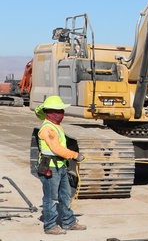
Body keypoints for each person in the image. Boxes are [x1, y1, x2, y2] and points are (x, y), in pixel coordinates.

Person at [34, 96, 87, 235]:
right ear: (49, 112)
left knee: (65, 195)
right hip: (50, 167)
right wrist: (75, 155)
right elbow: (56, 148)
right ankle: (50, 226)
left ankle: (68, 221)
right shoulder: (47, 128)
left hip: (60, 166)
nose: (61, 113)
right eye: (57, 111)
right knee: (51, 198)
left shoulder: (55, 126)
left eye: (61, 110)